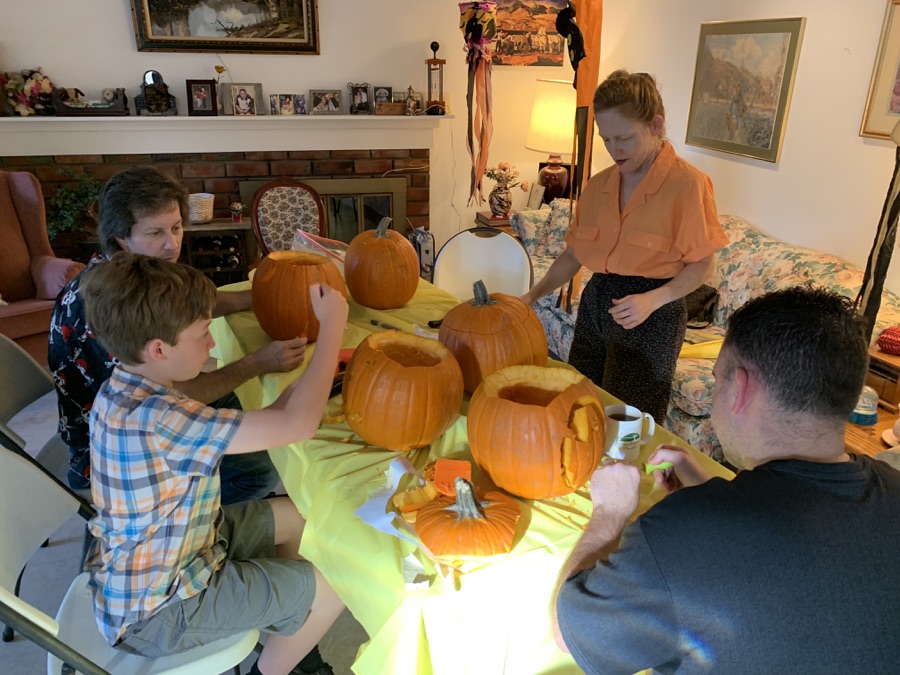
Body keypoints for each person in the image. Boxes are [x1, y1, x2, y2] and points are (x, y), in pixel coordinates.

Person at [553, 286, 900, 673]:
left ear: (743, 389)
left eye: (718, 380)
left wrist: (609, 514)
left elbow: (567, 634)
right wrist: (710, 494)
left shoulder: (683, 531)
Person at [80, 253, 348, 675]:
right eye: (204, 333)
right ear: (159, 349)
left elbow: (280, 418)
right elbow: (300, 426)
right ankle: (275, 666)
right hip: (160, 610)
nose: (210, 343)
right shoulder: (161, 419)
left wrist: (312, 383)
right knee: (337, 583)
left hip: (184, 548)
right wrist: (333, 327)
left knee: (302, 516)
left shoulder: (131, 388)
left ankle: (290, 633)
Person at [49, 166, 305, 504]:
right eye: (155, 232)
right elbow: (178, 393)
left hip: (147, 411)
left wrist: (258, 298)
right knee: (260, 469)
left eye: (176, 227)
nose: (172, 244)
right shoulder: (108, 304)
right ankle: (194, 521)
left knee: (254, 405)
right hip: (113, 458)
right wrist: (256, 363)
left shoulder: (132, 271)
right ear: (121, 238)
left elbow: (192, 304)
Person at [521, 70, 729, 422]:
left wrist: (653, 299)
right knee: (579, 407)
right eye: (606, 139)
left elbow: (702, 264)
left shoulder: (687, 185)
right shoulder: (599, 185)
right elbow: (573, 255)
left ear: (656, 125)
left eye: (625, 138)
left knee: (628, 425)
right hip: (597, 302)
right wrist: (530, 297)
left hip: (652, 314)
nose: (614, 150)